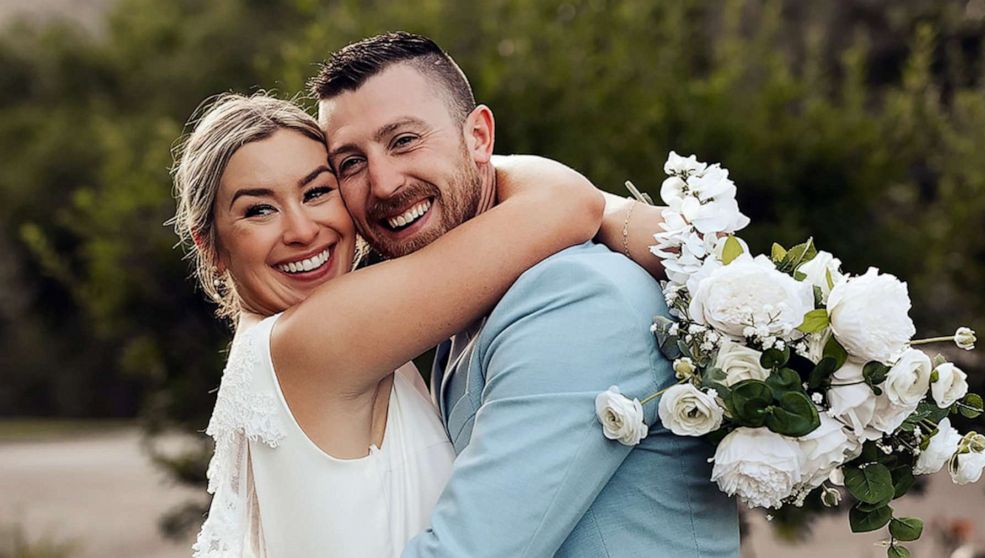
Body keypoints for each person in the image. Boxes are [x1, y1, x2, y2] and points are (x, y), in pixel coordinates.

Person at [311, 32, 741, 557]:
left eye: (404, 140)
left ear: (478, 138)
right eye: (350, 162)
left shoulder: (576, 298)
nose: (381, 183)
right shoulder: (465, 309)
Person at [173, 92, 656, 556]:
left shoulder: (281, 348)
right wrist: (620, 214)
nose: (301, 231)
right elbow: (564, 203)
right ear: (210, 246)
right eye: (259, 209)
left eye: (318, 191)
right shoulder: (315, 338)